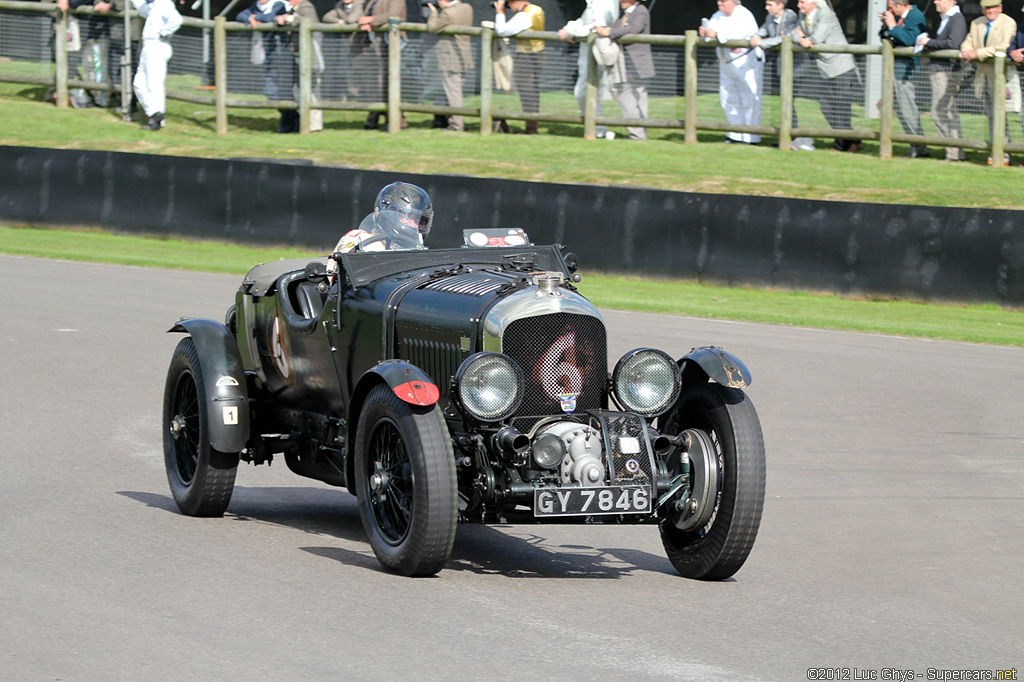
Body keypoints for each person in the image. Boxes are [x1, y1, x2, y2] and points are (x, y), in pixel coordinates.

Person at [794, 0, 861, 152]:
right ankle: (854, 139)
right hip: (825, 68)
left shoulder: (826, 14)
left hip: (841, 67)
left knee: (841, 108)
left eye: (802, 2)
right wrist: (799, 38)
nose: (799, 5)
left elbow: (815, 40)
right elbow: (795, 33)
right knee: (826, 106)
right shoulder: (803, 14)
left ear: (813, 2)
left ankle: (841, 145)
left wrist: (803, 38)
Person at [750, 0, 813, 150]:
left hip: (797, 68)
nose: (766, 8)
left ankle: (793, 137)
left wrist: (762, 43)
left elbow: (787, 37)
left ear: (780, 5)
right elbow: (763, 31)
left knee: (789, 102)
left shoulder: (790, 16)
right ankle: (789, 137)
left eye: (770, 4)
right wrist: (755, 38)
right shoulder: (769, 18)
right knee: (786, 102)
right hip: (782, 67)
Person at [959, 0, 1016, 165]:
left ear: (1000, 8)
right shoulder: (977, 23)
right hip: (981, 75)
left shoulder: (1008, 23)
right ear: (982, 9)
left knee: (1001, 116)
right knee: (991, 115)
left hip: (1000, 77)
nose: (990, 11)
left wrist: (977, 53)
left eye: (993, 7)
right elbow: (968, 40)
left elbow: (1004, 46)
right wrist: (966, 51)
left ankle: (1004, 154)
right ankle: (994, 152)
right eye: (987, 8)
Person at [699, 0, 763, 145]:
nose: (719, 3)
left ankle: (751, 136)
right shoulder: (718, 15)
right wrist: (706, 32)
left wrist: (715, 33)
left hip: (745, 62)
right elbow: (711, 33)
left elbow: (735, 35)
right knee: (728, 98)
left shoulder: (744, 15)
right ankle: (734, 134)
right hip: (725, 62)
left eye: (723, 1)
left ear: (733, 2)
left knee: (749, 99)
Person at [557, 0, 619, 139]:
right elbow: (583, 21)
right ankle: (598, 129)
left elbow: (594, 28)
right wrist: (569, 28)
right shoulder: (593, 3)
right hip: (586, 53)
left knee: (585, 92)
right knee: (583, 92)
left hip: (596, 53)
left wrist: (570, 32)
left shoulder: (603, 3)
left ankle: (598, 129)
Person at [595, 0, 653, 141]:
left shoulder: (640, 11)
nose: (620, 1)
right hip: (630, 64)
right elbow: (616, 26)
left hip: (636, 63)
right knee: (635, 97)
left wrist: (608, 32)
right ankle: (639, 133)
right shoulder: (627, 13)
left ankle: (637, 133)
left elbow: (634, 29)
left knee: (628, 97)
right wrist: (602, 28)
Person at [330, 182, 434, 261]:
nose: (413, 225)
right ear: (386, 214)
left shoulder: (420, 255)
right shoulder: (359, 240)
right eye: (406, 218)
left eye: (418, 221)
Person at [916, 0, 967, 161]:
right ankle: (954, 153)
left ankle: (954, 153)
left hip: (947, 72)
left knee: (941, 111)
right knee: (944, 111)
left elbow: (953, 43)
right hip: (940, 70)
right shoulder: (946, 18)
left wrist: (929, 42)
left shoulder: (957, 19)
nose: (935, 1)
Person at [879, 0, 928, 158]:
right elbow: (884, 36)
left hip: (907, 70)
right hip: (895, 68)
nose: (890, 11)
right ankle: (915, 146)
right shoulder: (897, 17)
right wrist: (886, 25)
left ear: (900, 4)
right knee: (900, 109)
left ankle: (919, 148)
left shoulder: (916, 16)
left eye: (891, 7)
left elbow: (910, 40)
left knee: (908, 109)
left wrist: (893, 26)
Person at [237, 0, 291, 131]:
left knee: (283, 90)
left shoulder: (279, 4)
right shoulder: (257, 6)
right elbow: (240, 15)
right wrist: (250, 18)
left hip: (282, 52)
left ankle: (288, 123)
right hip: (269, 53)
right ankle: (290, 119)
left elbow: (272, 16)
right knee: (270, 90)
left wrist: (257, 17)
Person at [494, 0, 545, 134]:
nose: (509, 7)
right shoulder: (536, 9)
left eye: (509, 4)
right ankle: (532, 125)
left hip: (527, 56)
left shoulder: (524, 15)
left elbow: (502, 30)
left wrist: (500, 13)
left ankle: (531, 128)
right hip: (537, 53)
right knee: (531, 91)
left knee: (527, 90)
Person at [355, 0, 407, 130]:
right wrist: (365, 22)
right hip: (373, 47)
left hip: (390, 46)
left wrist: (370, 20)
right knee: (374, 84)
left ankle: (395, 120)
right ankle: (374, 119)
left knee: (386, 83)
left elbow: (393, 15)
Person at [131, 0, 183, 130]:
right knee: (139, 83)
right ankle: (155, 114)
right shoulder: (154, 5)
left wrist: (162, 33)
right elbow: (143, 10)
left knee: (154, 84)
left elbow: (176, 20)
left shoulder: (163, 3)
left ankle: (156, 120)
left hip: (156, 45)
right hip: (149, 46)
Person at [426, 0, 474, 132]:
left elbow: (432, 28)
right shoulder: (467, 7)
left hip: (450, 59)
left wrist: (434, 13)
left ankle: (456, 125)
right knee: (454, 91)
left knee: (453, 93)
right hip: (463, 57)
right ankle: (448, 120)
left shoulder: (447, 13)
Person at [275, 0, 322, 133]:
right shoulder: (293, 8)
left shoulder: (306, 6)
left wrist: (289, 18)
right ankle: (304, 123)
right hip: (299, 56)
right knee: (300, 90)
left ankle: (314, 125)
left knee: (313, 90)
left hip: (311, 56)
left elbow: (309, 22)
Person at [58, 0, 114, 108]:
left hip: (98, 27)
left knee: (96, 64)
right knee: (75, 61)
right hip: (82, 22)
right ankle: (84, 95)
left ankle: (101, 101)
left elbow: (75, 2)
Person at [322, 0, 364, 101]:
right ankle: (349, 97)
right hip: (348, 45)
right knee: (347, 71)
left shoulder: (360, 3)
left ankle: (361, 98)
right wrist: (339, 21)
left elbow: (352, 19)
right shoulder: (340, 5)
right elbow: (326, 17)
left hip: (362, 45)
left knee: (361, 73)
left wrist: (343, 19)